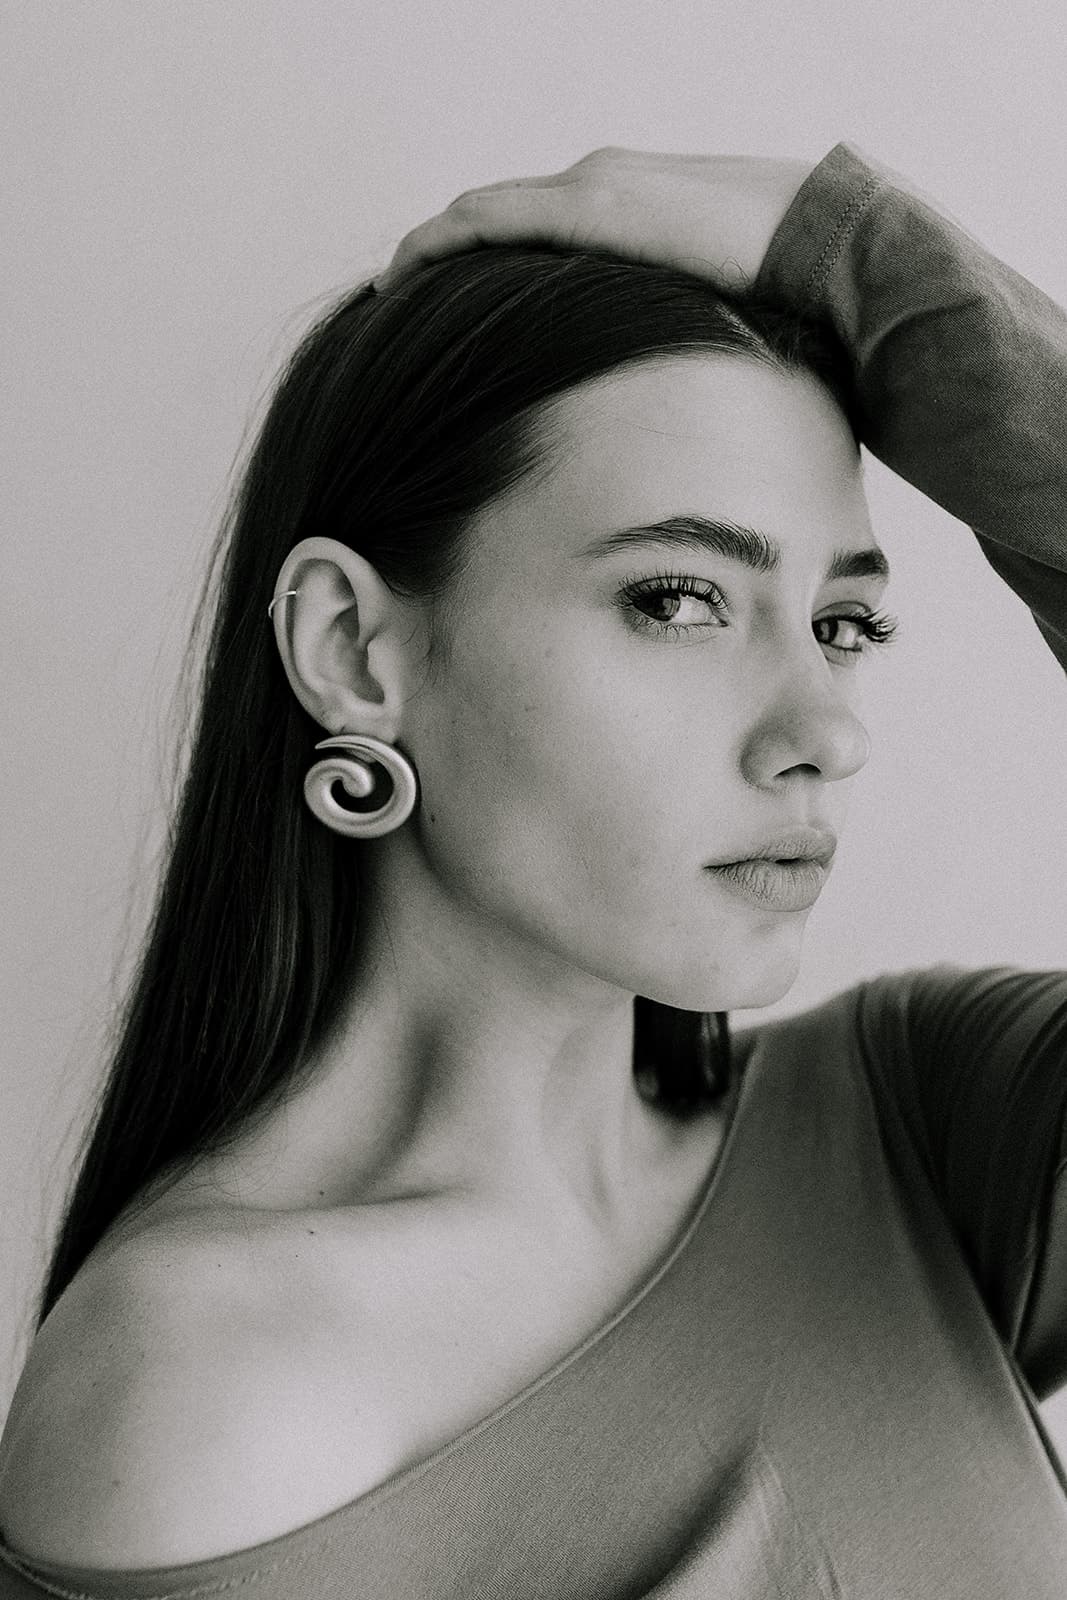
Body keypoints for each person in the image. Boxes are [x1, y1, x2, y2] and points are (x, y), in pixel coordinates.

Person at [0, 137, 1064, 1598]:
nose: (825, 729)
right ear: (354, 651)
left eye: (845, 625)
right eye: (682, 598)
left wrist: (884, 270)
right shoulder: (214, 1389)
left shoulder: (927, 1125)